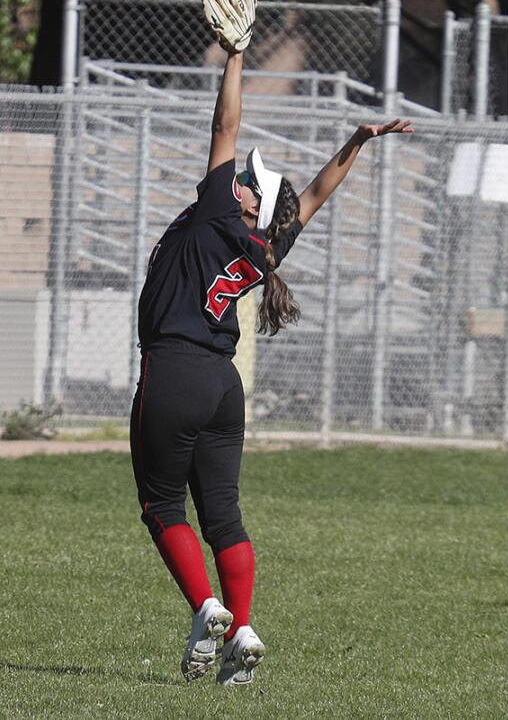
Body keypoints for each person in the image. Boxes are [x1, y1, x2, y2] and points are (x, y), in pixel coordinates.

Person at [130, 34, 413, 686]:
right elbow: (313, 196)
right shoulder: (266, 247)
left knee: (162, 506)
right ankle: (244, 628)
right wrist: (357, 140)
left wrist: (233, 51)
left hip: (174, 370)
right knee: (223, 514)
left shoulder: (214, 213)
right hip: (223, 387)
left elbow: (225, 121)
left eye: (244, 181)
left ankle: (207, 608)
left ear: (248, 202)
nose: (235, 179)